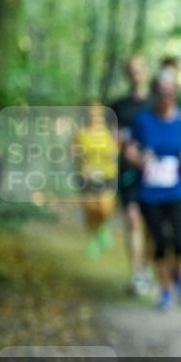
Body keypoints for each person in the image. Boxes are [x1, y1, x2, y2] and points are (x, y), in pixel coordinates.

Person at [126, 74, 181, 311]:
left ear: (176, 94)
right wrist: (140, 160)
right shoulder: (143, 121)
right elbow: (129, 148)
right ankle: (166, 289)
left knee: (178, 241)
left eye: (170, 93)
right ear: (154, 94)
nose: (166, 98)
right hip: (150, 194)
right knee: (159, 242)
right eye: (161, 92)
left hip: (177, 191)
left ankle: (179, 274)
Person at [110, 56, 152, 295]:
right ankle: (136, 273)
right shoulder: (118, 106)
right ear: (127, 74)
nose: (136, 74)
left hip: (155, 176)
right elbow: (109, 138)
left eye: (139, 69)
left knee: (152, 226)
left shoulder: (158, 103)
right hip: (128, 173)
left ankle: (146, 267)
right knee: (133, 219)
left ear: (146, 71)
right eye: (131, 70)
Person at [72, 102, 118, 259]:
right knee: (90, 209)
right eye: (91, 113)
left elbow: (115, 153)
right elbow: (73, 151)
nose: (94, 116)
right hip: (86, 176)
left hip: (106, 175)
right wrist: (79, 154)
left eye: (97, 113)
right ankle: (93, 238)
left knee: (104, 208)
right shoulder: (81, 133)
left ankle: (103, 228)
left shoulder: (109, 134)